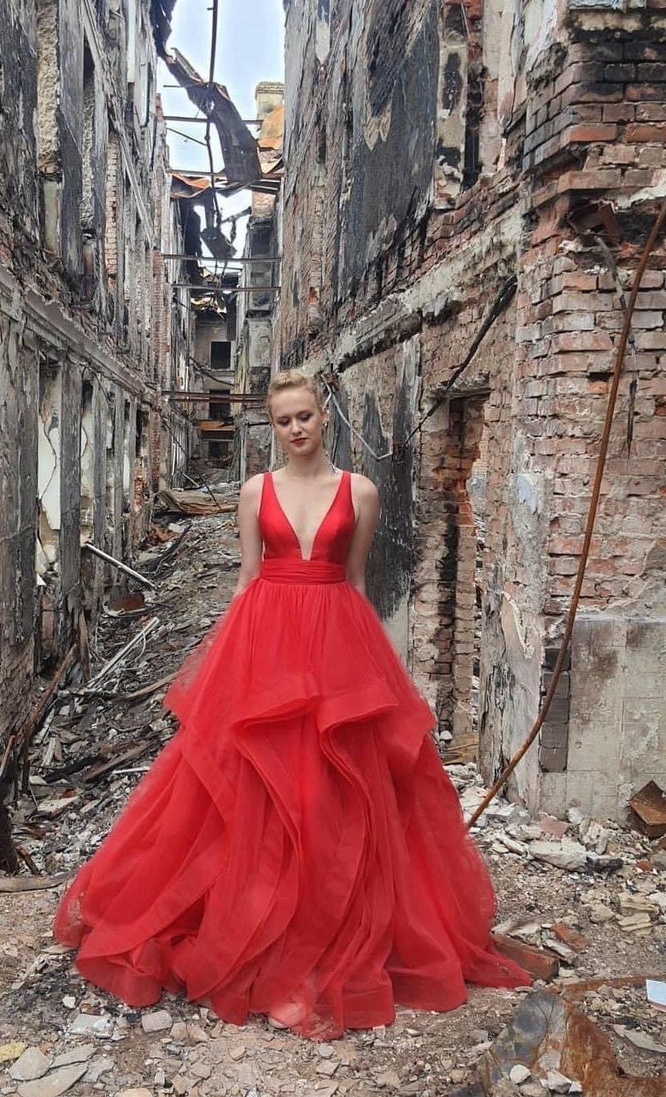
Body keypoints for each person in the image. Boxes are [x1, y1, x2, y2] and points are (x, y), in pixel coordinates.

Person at [54, 369, 529, 1040]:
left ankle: (324, 929)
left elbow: (356, 580)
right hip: (267, 636)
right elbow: (248, 579)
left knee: (339, 788)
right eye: (284, 420)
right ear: (273, 427)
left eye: (305, 416)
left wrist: (374, 675)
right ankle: (254, 925)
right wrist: (229, 671)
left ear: (323, 419)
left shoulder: (360, 491)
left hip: (338, 636)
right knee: (256, 784)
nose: (296, 428)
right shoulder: (255, 491)